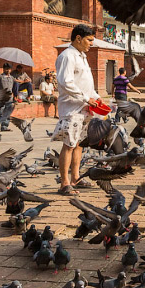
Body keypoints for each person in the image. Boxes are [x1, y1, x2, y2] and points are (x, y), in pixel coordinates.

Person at [53, 24, 100, 196]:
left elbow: (85, 83)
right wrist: (86, 98)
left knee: (80, 144)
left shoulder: (82, 57)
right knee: (69, 144)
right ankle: (64, 183)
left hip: (84, 106)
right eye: (89, 40)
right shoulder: (67, 56)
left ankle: (76, 177)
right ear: (78, 38)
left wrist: (95, 97)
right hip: (72, 107)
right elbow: (66, 83)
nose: (91, 44)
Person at [0, 63, 16, 132]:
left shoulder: (12, 78)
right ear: (3, 69)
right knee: (0, 112)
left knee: (7, 112)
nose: (8, 70)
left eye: (9, 69)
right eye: (6, 69)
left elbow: (13, 87)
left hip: (9, 97)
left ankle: (4, 126)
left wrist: (14, 96)